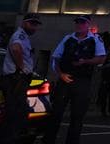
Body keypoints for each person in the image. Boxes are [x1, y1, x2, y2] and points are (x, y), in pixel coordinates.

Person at [44, 15, 106, 144]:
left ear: (88, 25)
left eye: (82, 23)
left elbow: (101, 58)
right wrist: (60, 74)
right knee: (56, 113)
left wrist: (86, 61)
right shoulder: (68, 38)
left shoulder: (95, 39)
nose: (79, 25)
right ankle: (48, 140)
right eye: (77, 22)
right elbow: (56, 58)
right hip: (66, 78)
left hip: (82, 80)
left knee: (77, 115)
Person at [0, 14, 42, 144]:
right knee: (15, 111)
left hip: (17, 78)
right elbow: (15, 49)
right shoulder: (20, 35)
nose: (34, 27)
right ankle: (9, 139)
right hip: (16, 78)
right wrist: (22, 68)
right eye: (31, 24)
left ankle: (11, 137)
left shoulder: (24, 37)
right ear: (24, 23)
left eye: (36, 24)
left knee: (17, 110)